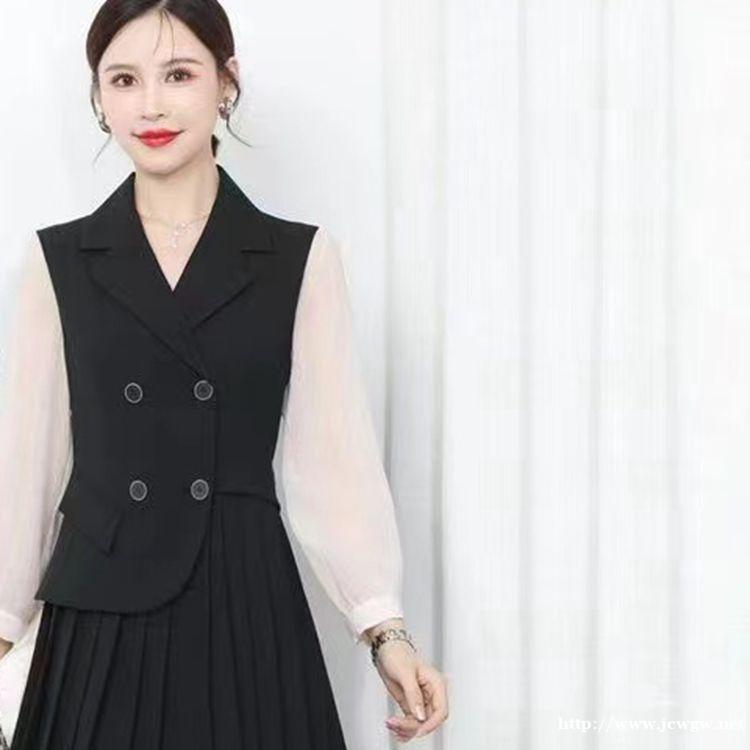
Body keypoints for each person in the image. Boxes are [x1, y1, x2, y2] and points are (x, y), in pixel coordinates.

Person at [0, 1, 448, 747]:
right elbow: (26, 464)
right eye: (123, 79)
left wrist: (384, 630)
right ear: (99, 98)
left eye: (178, 74)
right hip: (100, 606)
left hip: (241, 597)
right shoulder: (59, 261)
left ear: (226, 83)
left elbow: (331, 461)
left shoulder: (299, 259)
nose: (150, 105)